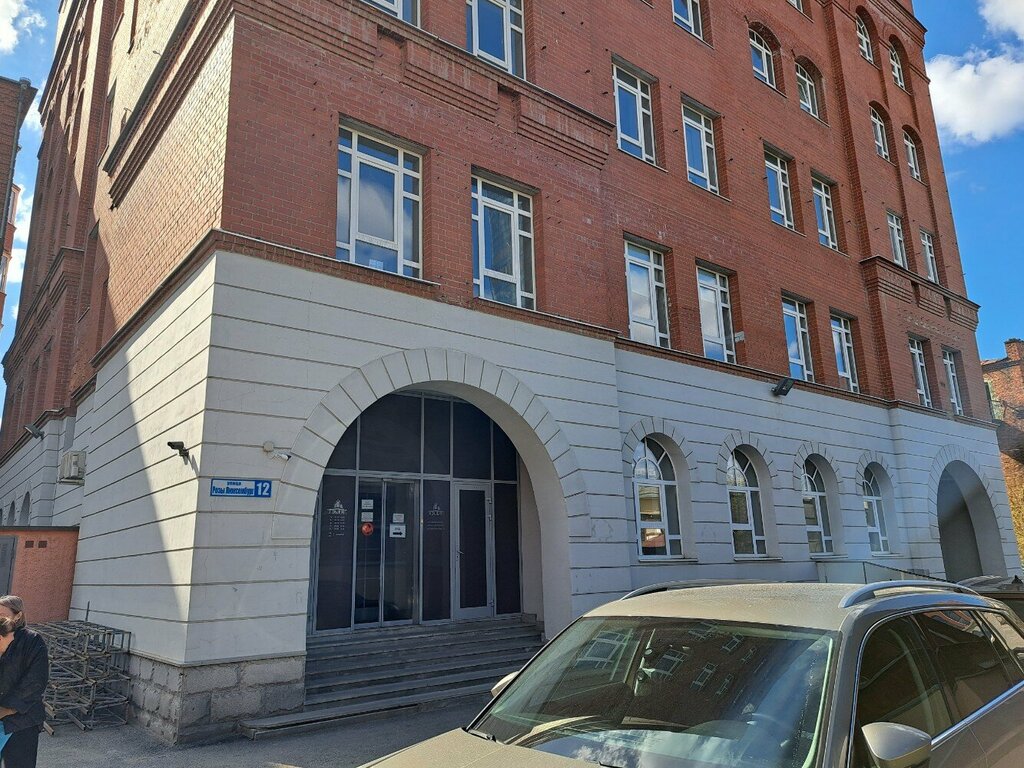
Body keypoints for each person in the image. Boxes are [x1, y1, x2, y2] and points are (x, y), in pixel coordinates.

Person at [0, 596, 48, 768]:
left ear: (18, 615)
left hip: (23, 721)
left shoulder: (32, 641)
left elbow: (35, 681)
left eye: (2, 614)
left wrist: (7, 709)